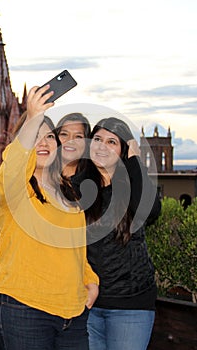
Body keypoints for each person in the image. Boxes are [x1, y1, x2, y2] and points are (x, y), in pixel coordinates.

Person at [0, 85, 99, 350]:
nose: (43, 142)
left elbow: (76, 250)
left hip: (72, 314)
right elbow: (13, 164)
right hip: (22, 309)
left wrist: (91, 280)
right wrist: (33, 117)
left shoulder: (69, 192)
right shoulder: (15, 188)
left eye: (49, 136)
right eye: (35, 135)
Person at [84, 117, 161, 350]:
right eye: (97, 139)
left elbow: (151, 211)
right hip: (86, 305)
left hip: (130, 307)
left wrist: (135, 159)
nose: (102, 146)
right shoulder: (81, 187)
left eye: (112, 141)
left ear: (123, 150)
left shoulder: (132, 186)